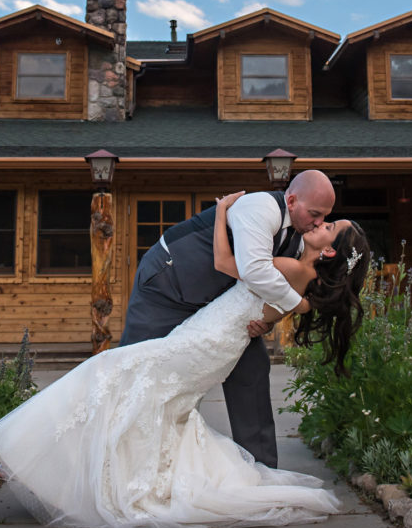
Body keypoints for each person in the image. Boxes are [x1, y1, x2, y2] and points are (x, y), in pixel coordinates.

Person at [0, 193, 370, 528]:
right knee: (144, 397)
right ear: (295, 202)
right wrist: (266, 321)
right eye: (321, 215)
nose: (321, 222)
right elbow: (275, 303)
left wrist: (220, 213)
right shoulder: (295, 264)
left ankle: (44, 471)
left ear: (331, 251)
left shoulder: (292, 266)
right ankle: (61, 473)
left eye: (329, 223)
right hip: (208, 336)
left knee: (111, 376)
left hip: (203, 341)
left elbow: (230, 264)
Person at [121, 169, 336, 469]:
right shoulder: (260, 207)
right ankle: (123, 461)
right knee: (135, 369)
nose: (318, 222)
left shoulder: (301, 242)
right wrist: (300, 306)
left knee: (252, 370)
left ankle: (261, 471)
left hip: (219, 310)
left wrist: (269, 321)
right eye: (314, 213)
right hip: (168, 285)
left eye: (325, 216)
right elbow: (255, 271)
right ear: (291, 199)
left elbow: (274, 284)